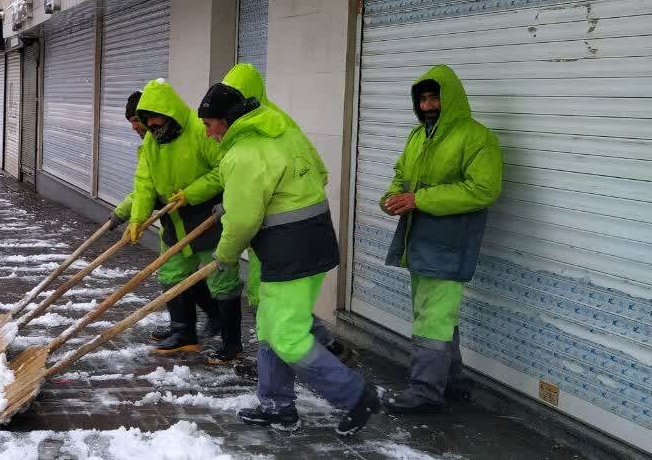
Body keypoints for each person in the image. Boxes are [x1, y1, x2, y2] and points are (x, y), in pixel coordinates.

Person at [199, 64, 378, 435]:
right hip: (311, 243)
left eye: (210, 124)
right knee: (269, 326)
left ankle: (354, 393)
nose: (208, 132)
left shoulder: (243, 153)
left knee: (286, 335)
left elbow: (244, 221)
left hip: (291, 251)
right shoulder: (283, 132)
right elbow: (310, 176)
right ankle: (277, 405)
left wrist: (225, 256)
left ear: (228, 121)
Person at [379, 65, 502, 414]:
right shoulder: (418, 136)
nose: (429, 104)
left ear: (450, 99)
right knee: (437, 314)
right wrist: (391, 198)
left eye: (435, 97)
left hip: (450, 243)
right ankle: (452, 381)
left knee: (432, 317)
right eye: (423, 98)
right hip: (418, 239)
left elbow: (484, 189)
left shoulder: (476, 137)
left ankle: (424, 392)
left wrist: (419, 200)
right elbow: (401, 176)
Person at [109, 91, 222, 350]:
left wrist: (192, 193)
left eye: (144, 120)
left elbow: (222, 170)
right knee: (174, 273)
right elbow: (144, 185)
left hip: (204, 215)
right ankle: (183, 333)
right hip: (174, 220)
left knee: (217, 278)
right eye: (138, 121)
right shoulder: (152, 141)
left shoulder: (196, 132)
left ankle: (226, 334)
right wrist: (132, 216)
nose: (142, 126)